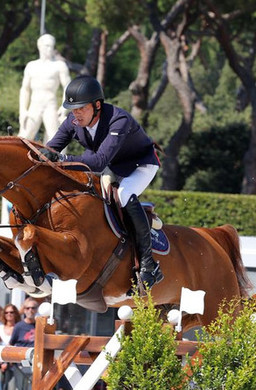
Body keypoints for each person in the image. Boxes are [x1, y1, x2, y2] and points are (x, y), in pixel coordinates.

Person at [38, 75, 164, 290]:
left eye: (81, 108)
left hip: (140, 165)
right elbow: (51, 149)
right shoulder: (73, 121)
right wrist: (36, 155)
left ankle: (148, 264)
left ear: (97, 105)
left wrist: (63, 160)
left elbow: (97, 162)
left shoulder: (119, 120)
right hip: (114, 166)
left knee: (124, 195)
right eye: (73, 109)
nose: (76, 113)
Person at [18, 34, 71, 144]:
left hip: (50, 105)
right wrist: (23, 110)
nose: (49, 49)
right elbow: (25, 89)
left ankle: (55, 161)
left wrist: (64, 106)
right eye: (47, 46)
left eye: (51, 46)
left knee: (55, 138)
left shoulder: (59, 65)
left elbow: (68, 87)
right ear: (39, 46)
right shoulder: (31, 66)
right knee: (24, 137)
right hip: (34, 106)